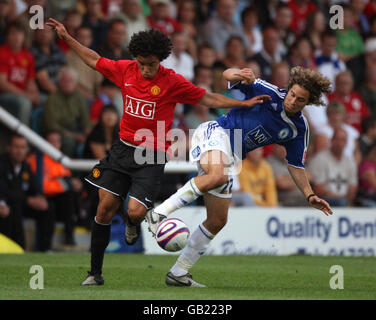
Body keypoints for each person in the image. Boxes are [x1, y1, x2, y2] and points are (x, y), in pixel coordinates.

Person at [47, 18, 268, 286]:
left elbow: (207, 97)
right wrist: (66, 37)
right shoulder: (125, 70)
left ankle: (132, 222)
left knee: (137, 212)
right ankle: (95, 273)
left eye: (151, 64)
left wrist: (243, 104)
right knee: (104, 208)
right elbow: (93, 60)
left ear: (160, 60)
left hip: (151, 155)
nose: (146, 69)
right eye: (141, 63)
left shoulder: (172, 82)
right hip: (122, 149)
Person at [146, 66, 333, 287]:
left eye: (300, 100)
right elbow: (226, 75)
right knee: (218, 175)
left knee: (217, 220)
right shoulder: (268, 92)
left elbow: (295, 165)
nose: (293, 101)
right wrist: (241, 74)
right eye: (292, 94)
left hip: (232, 155)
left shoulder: (297, 129)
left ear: (307, 103)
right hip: (217, 132)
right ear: (289, 88)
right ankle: (158, 213)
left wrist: (310, 195)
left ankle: (178, 273)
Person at [0, 134, 52, 251]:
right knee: (12, 208)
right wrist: (27, 199)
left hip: (21, 203)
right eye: (16, 147)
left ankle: (45, 249)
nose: (20, 151)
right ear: (8, 148)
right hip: (6, 204)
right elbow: (5, 192)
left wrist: (40, 197)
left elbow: (35, 187)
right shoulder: (2, 164)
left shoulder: (25, 167)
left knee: (47, 208)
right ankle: (18, 248)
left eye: (23, 147)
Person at [308, 127, 358, 207]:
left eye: (343, 140)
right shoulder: (320, 158)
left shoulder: (350, 161)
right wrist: (341, 198)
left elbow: (353, 187)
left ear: (346, 143)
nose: (339, 143)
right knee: (341, 202)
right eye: (337, 139)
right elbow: (318, 189)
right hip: (323, 200)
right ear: (331, 140)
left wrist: (346, 198)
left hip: (345, 200)